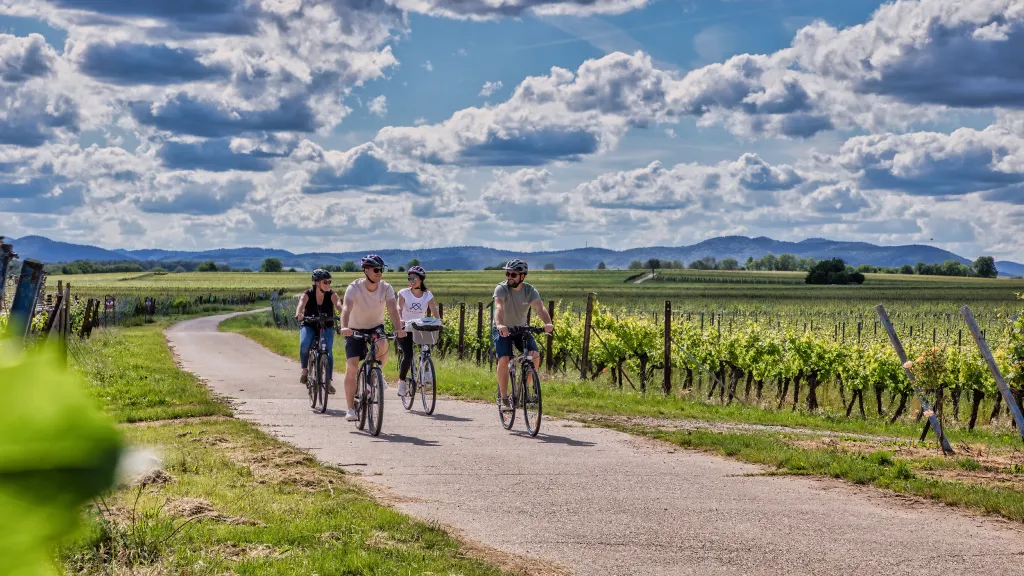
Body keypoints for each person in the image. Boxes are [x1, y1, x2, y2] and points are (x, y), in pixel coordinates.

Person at [339, 254, 406, 421]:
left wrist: (399, 329)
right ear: (366, 271)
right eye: (376, 269)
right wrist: (344, 327)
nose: (379, 272)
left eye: (381, 269)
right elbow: (346, 309)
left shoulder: (386, 288)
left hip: (375, 327)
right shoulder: (354, 287)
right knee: (352, 367)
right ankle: (350, 409)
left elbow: (392, 310)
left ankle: (377, 371)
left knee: (383, 344)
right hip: (354, 328)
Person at [492, 259, 552, 412]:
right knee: (504, 358)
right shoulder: (501, 288)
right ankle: (504, 397)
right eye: (507, 273)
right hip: (502, 329)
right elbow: (499, 307)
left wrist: (548, 323)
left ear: (522, 277)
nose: (509, 277)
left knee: (535, 355)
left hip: (520, 329)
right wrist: (500, 325)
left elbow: (539, 308)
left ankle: (525, 388)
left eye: (513, 274)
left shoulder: (530, 290)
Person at [295, 268, 342, 395]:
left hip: (326, 325)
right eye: (325, 282)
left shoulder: (331, 294)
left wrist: (344, 313)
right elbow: (301, 304)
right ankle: (305, 371)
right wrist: (299, 313)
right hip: (309, 324)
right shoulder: (308, 294)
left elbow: (338, 305)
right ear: (316, 283)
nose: (327, 284)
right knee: (304, 345)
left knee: (328, 352)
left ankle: (329, 381)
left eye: (329, 282)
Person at [396, 265, 440, 397]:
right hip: (405, 327)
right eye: (409, 278)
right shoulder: (404, 293)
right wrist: (399, 320)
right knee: (408, 355)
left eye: (414, 278)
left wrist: (438, 320)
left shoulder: (427, 295)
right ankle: (402, 381)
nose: (412, 280)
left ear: (421, 279)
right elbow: (399, 307)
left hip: (419, 327)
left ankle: (426, 373)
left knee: (426, 350)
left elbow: (434, 310)